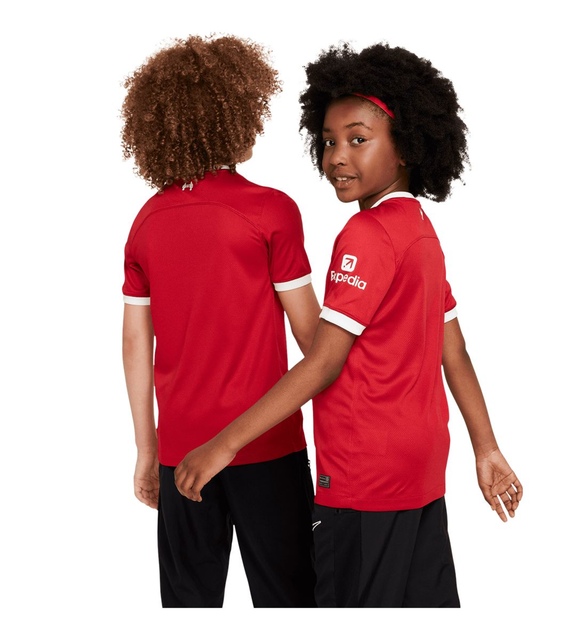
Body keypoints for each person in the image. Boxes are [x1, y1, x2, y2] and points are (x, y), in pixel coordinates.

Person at [174, 42, 523, 607]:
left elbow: (324, 362)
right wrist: (486, 448)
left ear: (406, 146)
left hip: (363, 475)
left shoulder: (366, 234)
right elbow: (453, 351)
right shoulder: (421, 230)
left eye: (358, 139)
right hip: (421, 467)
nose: (337, 156)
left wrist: (224, 445)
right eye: (329, 141)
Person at [120, 34, 320, 608]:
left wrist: (147, 450)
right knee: (291, 603)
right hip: (268, 446)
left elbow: (135, 344)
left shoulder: (147, 220)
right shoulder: (271, 210)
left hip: (180, 452)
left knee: (188, 606)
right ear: (230, 118)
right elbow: (314, 340)